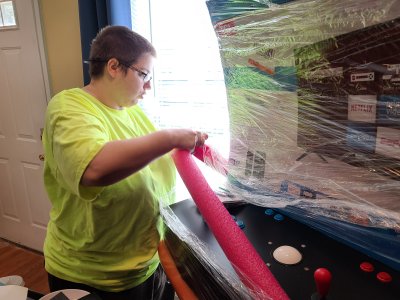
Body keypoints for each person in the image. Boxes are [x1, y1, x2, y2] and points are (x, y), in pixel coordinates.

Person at [42, 25, 207, 300]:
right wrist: (171, 137)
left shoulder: (133, 113)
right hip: (92, 276)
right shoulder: (68, 106)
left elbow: (150, 167)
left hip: (146, 265)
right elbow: (94, 168)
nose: (149, 85)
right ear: (114, 67)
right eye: (144, 74)